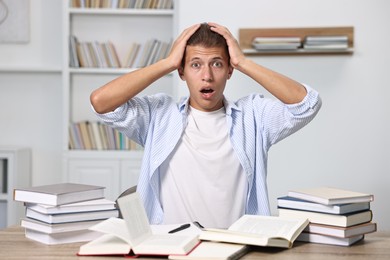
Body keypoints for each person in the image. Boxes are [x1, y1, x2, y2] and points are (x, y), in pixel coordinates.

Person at [90, 22, 322, 228]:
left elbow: (306, 104)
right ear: (182, 71)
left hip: (236, 247)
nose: (207, 76)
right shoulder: (159, 115)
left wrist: (243, 62)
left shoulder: (253, 116)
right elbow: (102, 103)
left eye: (217, 64)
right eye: (196, 65)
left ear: (229, 70)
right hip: (171, 248)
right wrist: (166, 63)